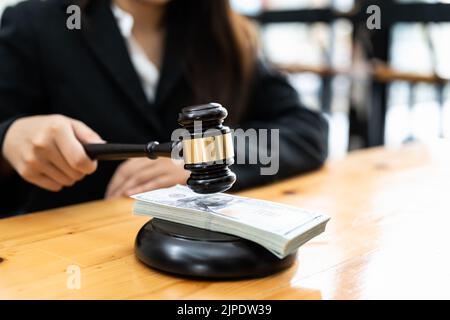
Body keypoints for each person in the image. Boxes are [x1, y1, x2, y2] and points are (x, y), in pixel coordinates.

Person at [0, 0, 328, 215]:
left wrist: (204, 162)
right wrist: (9, 138)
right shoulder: (33, 23)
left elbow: (307, 129)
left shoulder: (228, 35)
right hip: (68, 264)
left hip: (203, 272)